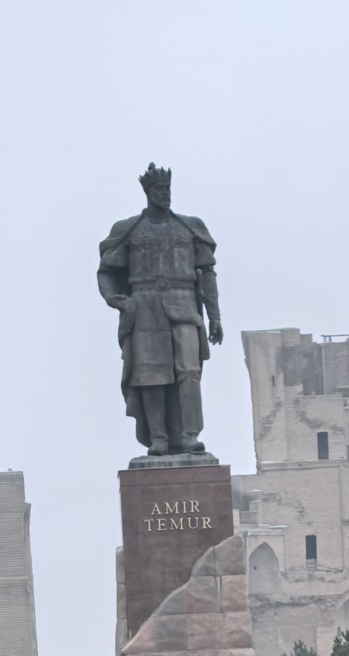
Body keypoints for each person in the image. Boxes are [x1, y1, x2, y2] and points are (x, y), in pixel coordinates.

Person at [97, 163, 223, 457]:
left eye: (167, 190)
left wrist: (215, 316)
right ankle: (159, 438)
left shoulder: (189, 227)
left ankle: (190, 436)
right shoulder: (128, 230)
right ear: (148, 192)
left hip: (184, 305)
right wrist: (114, 299)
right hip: (143, 308)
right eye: (159, 190)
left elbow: (207, 274)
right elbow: (106, 271)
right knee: (149, 376)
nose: (164, 195)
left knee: (189, 372)